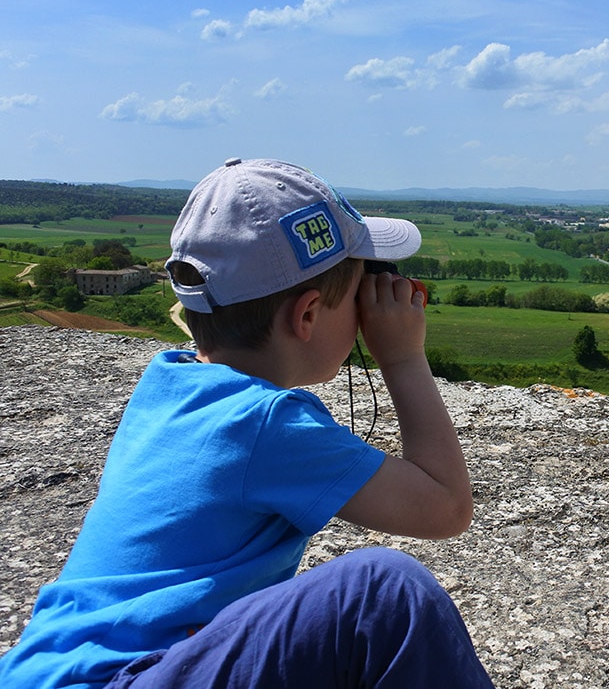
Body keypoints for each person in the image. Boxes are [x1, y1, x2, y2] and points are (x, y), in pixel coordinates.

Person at [0, 158, 495, 688]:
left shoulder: (167, 385)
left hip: (53, 670)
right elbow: (445, 507)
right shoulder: (266, 422)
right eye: (360, 291)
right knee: (383, 588)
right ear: (307, 316)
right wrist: (402, 357)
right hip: (118, 680)